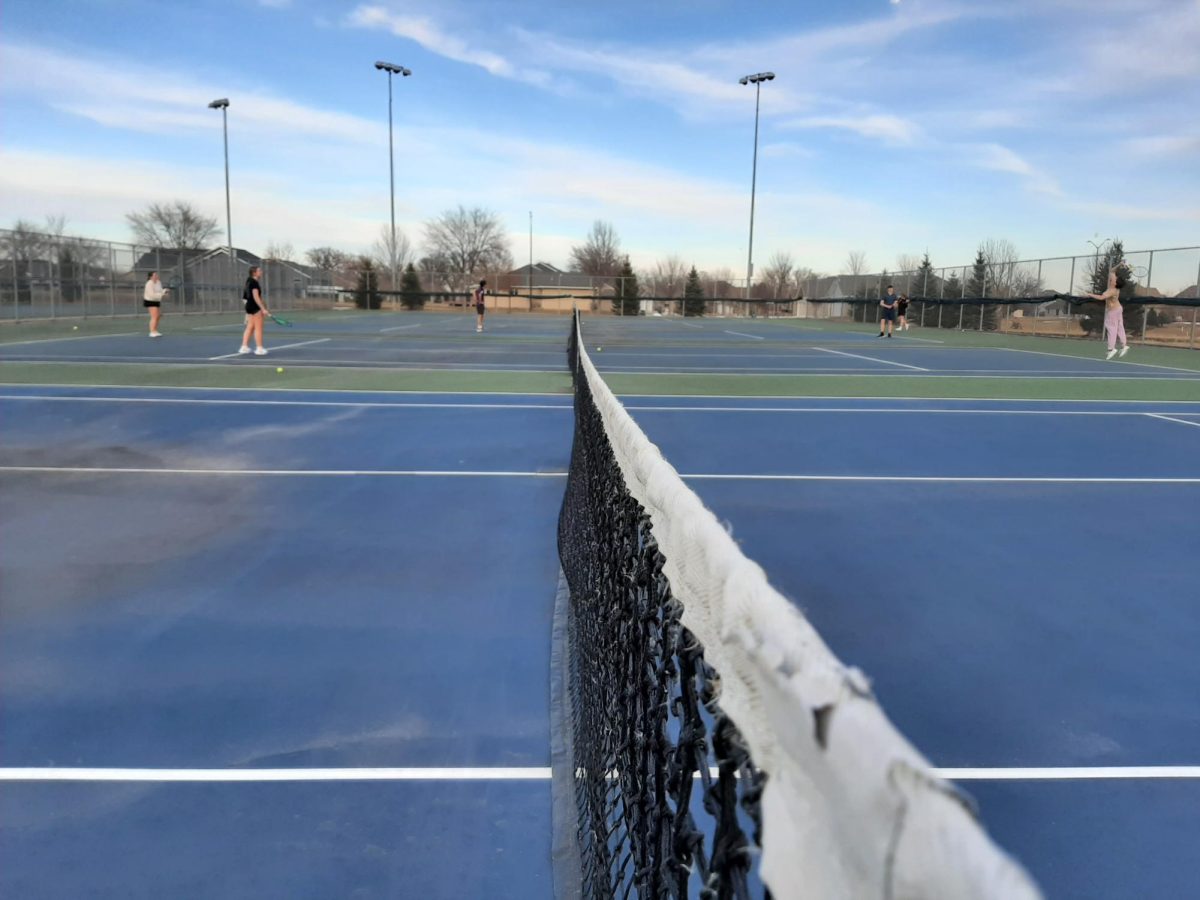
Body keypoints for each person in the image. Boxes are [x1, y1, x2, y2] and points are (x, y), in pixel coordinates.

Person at [1082, 268, 1129, 360]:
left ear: (1116, 283)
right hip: (1118, 308)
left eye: (1115, 279)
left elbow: (1101, 297)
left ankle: (1111, 349)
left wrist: (1090, 294)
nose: (1113, 278)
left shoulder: (1112, 290)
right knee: (1119, 327)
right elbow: (1112, 270)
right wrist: (1120, 264)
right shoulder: (1114, 285)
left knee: (1111, 328)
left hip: (1113, 311)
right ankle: (1124, 345)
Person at [238, 265, 271, 356]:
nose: (261, 272)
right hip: (255, 307)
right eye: (259, 270)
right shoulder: (254, 283)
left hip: (249, 306)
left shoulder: (248, 281)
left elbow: (245, 298)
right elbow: (256, 297)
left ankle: (244, 347)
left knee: (250, 327)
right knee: (258, 328)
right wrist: (263, 309)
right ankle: (259, 348)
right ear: (254, 273)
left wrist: (247, 312)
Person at [143, 271, 168, 337]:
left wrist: (164, 291)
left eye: (156, 275)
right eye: (154, 275)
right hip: (150, 300)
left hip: (156, 300)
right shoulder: (149, 284)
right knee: (154, 316)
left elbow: (160, 290)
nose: (156, 276)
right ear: (150, 277)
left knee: (158, 315)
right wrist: (162, 294)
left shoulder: (158, 282)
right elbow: (151, 295)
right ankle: (152, 332)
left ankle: (155, 330)